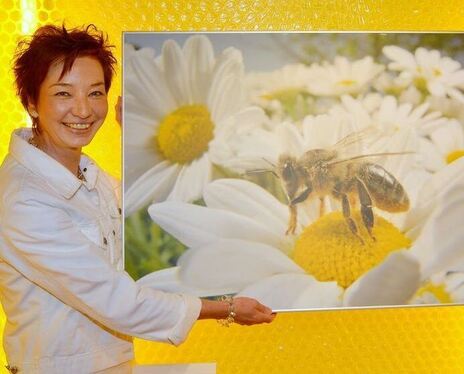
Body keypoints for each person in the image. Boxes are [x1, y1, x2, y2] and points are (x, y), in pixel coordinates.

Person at [0, 24, 275, 374]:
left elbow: (129, 214)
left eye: (96, 93)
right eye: (64, 94)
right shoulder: (25, 198)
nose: (83, 110)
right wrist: (229, 308)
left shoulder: (86, 173)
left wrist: (138, 136)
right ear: (31, 103)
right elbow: (118, 302)